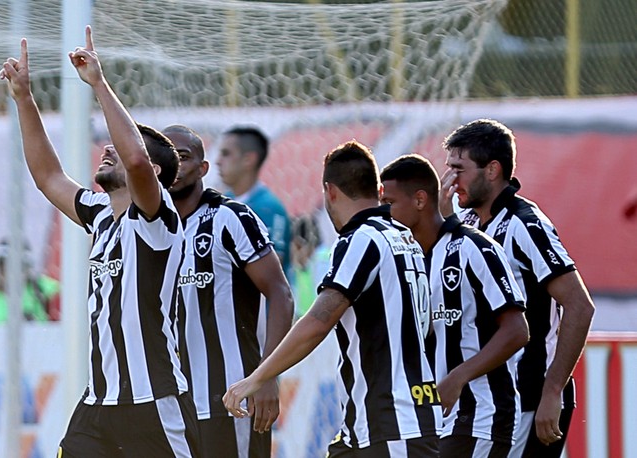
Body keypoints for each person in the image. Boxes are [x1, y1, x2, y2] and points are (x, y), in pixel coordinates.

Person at [0, 27, 200, 456]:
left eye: (119, 146)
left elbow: (135, 159)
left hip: (152, 401)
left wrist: (99, 83)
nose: (107, 148)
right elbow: (48, 177)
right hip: (97, 404)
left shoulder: (156, 217)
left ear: (156, 175)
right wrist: (24, 99)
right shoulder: (99, 215)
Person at [223, 140, 442, 457]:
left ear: (330, 191)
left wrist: (257, 378)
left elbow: (319, 320)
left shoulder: (362, 238)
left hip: (392, 422)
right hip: (378, 421)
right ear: (377, 189)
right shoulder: (403, 237)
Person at [439, 119, 595, 457]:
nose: (450, 180)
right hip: (488, 401)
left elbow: (580, 306)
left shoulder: (525, 224)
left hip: (529, 397)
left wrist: (553, 390)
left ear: (492, 170)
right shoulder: (466, 224)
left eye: (458, 168)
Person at [380, 154, 529, 457]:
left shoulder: (475, 247)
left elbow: (517, 331)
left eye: (390, 203)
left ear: (420, 200)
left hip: (480, 417)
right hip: (432, 420)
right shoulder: (408, 259)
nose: (384, 214)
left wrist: (458, 377)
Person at [162, 124, 294, 457]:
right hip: (168, 407)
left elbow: (280, 293)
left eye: (183, 157)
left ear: (203, 168)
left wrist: (266, 376)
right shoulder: (146, 230)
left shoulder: (230, 218)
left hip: (229, 400)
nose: (173, 166)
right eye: (165, 157)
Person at [217, 126, 292, 277]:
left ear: (248, 159)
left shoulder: (269, 208)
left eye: (226, 154)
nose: (218, 161)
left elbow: (274, 269)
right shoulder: (221, 204)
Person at [0, 238, 60, 322]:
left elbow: (63, 332)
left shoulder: (49, 291)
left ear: (28, 267)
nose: (9, 273)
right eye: (2, 265)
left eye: (17, 267)